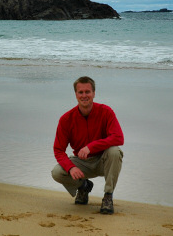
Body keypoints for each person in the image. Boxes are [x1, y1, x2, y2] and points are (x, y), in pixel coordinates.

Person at [51, 76, 124, 214]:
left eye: (87, 92)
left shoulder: (106, 112)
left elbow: (119, 137)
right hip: (82, 163)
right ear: (76, 94)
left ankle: (108, 196)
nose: (84, 95)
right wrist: (71, 168)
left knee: (115, 151)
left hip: (104, 160)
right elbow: (58, 150)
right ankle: (83, 186)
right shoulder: (66, 119)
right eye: (81, 92)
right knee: (57, 172)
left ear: (94, 93)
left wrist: (92, 146)